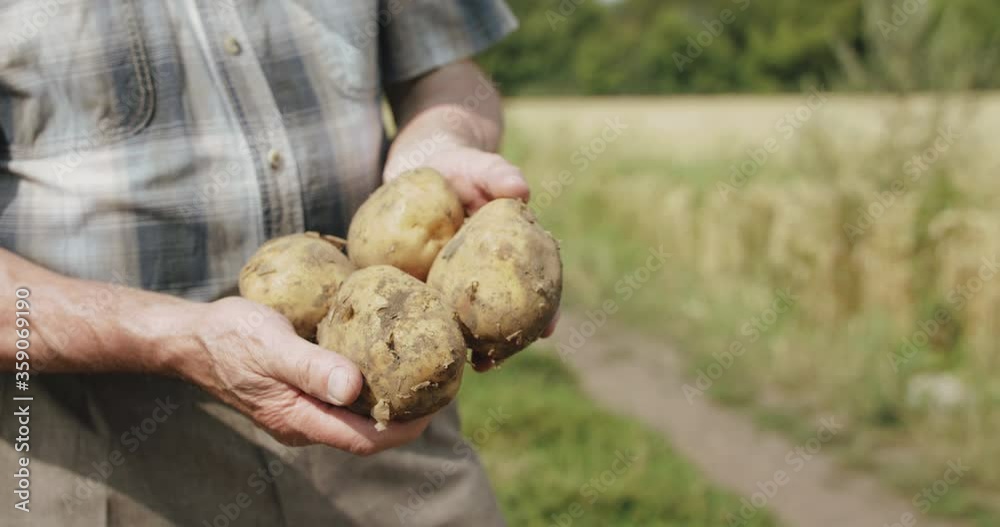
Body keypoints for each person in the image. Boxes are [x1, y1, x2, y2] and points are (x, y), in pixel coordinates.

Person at [0, 1, 551, 525]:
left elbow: (447, 72)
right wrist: (173, 335)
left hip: (385, 410)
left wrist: (441, 148)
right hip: (98, 453)